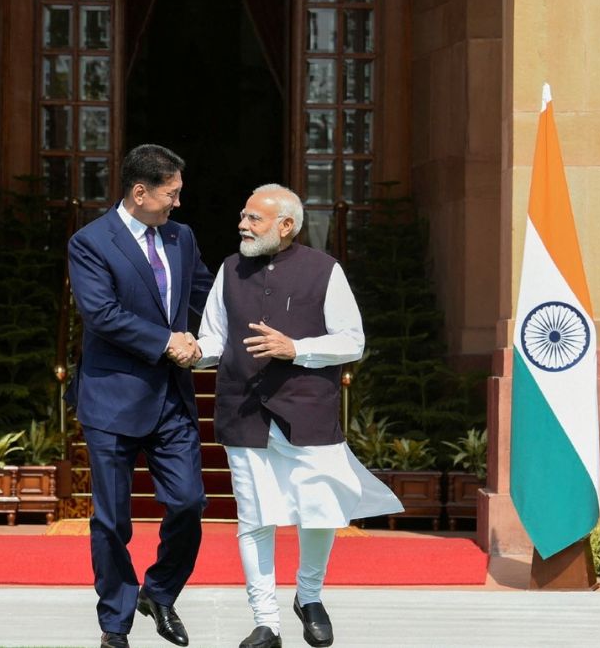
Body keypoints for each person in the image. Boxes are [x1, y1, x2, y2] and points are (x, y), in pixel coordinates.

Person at [196, 184, 401, 648]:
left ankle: (308, 596)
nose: (243, 225)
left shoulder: (324, 270)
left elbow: (352, 341)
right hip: (243, 409)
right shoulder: (229, 269)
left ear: (286, 225)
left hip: (308, 410)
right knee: (254, 517)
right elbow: (214, 339)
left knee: (320, 508)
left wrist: (297, 349)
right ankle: (265, 621)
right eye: (243, 216)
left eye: (254, 218)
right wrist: (192, 351)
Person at [67, 144, 214, 648]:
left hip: (171, 399)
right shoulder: (90, 242)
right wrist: (167, 341)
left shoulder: (181, 237)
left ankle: (160, 591)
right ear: (139, 192)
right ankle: (115, 624)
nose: (178, 203)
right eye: (171, 194)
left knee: (189, 503)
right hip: (112, 400)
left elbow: (205, 294)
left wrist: (232, 327)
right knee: (112, 522)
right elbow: (101, 314)